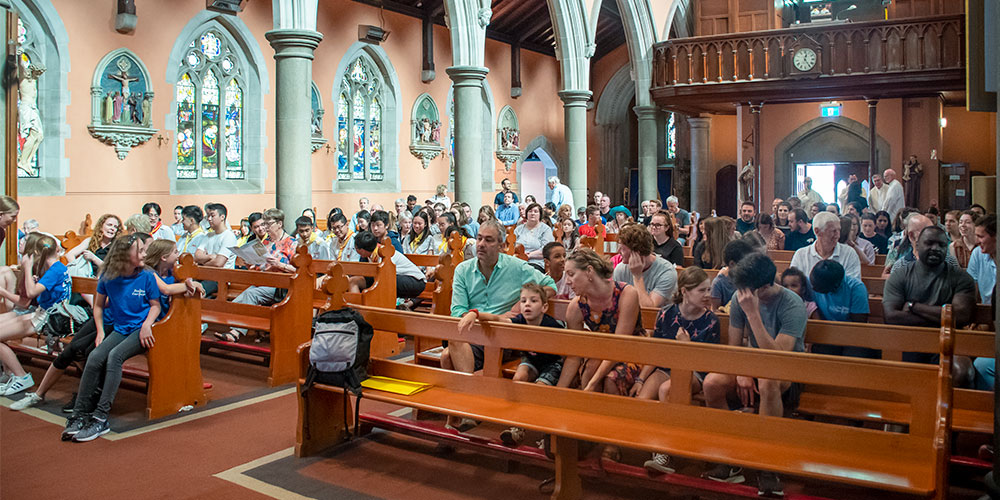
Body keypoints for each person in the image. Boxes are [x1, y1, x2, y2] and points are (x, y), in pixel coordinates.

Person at [701, 253, 806, 494]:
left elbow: (778, 358)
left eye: (748, 291)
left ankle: (767, 464)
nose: (742, 295)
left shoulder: (792, 304)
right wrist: (742, 372)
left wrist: (754, 315)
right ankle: (730, 455)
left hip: (789, 370)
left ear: (766, 286)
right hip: (751, 365)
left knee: (768, 382)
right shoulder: (741, 299)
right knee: (712, 383)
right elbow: (735, 346)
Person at [445, 220, 556, 429]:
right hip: (473, 333)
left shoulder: (516, 267)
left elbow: (549, 286)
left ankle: (456, 415)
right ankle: (470, 407)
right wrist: (478, 318)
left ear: (501, 245)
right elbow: (458, 312)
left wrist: (517, 308)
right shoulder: (463, 270)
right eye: (479, 239)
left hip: (503, 336)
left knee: (447, 355)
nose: (480, 244)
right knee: (450, 349)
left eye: (488, 240)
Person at [61, 234, 162, 442]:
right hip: (120, 328)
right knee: (95, 356)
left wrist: (146, 325)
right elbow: (98, 306)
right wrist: (100, 331)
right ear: (125, 255)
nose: (145, 254)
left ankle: (100, 417)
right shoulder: (108, 275)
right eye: (140, 251)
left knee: (114, 356)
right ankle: (79, 414)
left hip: (140, 330)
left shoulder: (147, 275)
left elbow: (156, 305)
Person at [461, 283, 565, 446]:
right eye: (523, 301)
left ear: (544, 307)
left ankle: (547, 434)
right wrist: (475, 314)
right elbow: (498, 319)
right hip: (532, 360)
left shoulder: (551, 326)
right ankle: (517, 427)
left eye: (533, 301)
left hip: (553, 363)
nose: (527, 304)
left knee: (539, 389)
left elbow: (566, 349)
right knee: (519, 379)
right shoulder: (521, 320)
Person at [639, 266, 720, 474]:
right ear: (684, 291)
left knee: (667, 390)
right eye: (702, 290)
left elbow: (708, 363)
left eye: (708, 290)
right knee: (641, 400)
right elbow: (656, 351)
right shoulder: (667, 313)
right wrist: (640, 379)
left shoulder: (710, 321)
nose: (707, 295)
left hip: (695, 372)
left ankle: (665, 453)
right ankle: (649, 447)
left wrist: (687, 346)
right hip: (666, 367)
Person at [883, 226, 975, 363]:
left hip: (948, 341)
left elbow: (961, 316)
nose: (935, 248)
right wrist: (942, 319)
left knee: (961, 369)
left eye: (941, 245)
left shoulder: (961, 277)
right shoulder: (900, 274)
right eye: (929, 243)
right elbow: (890, 316)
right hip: (909, 340)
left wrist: (913, 306)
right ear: (917, 245)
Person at [216, 209, 298, 342]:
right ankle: (238, 329)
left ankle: (236, 333)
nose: (265, 228)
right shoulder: (265, 243)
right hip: (264, 282)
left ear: (279, 224)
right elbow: (261, 266)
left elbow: (298, 271)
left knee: (250, 295)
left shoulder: (292, 243)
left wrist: (280, 265)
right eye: (264, 224)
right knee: (236, 302)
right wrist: (251, 264)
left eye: (268, 224)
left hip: (281, 286)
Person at [808, 260, 874, 357]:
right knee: (822, 353)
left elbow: (859, 325)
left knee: (855, 355)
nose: (813, 288)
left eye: (817, 288)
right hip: (825, 332)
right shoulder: (812, 282)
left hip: (851, 334)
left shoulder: (856, 288)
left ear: (835, 287)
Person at [613, 223, 677, 308]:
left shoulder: (667, 272)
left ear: (637, 251)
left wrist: (637, 276)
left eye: (622, 248)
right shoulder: (620, 269)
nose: (618, 251)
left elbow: (647, 310)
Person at [349, 231, 427, 300]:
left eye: (356, 248)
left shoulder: (384, 252)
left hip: (414, 281)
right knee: (354, 281)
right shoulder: (371, 255)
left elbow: (386, 273)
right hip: (391, 277)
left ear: (362, 250)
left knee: (383, 280)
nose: (355, 250)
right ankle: (355, 310)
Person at [790, 212, 861, 280]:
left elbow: (852, 285)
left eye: (839, 230)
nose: (838, 235)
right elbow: (795, 283)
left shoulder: (849, 254)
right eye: (833, 231)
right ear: (817, 231)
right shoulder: (801, 255)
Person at [710, 239, 756, 311]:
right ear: (732, 264)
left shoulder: (750, 278)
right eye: (745, 263)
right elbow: (715, 312)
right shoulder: (719, 283)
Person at [514, 203, 554, 270]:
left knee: (526, 271)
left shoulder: (545, 229)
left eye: (536, 211)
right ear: (526, 214)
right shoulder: (519, 229)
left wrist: (528, 255)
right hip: (517, 261)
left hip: (536, 262)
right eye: (530, 211)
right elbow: (512, 245)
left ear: (540, 215)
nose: (532, 213)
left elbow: (547, 250)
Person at [966, 215, 996, 304]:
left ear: (996, 237)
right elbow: (971, 288)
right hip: (987, 311)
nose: (977, 241)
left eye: (981, 236)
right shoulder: (977, 254)